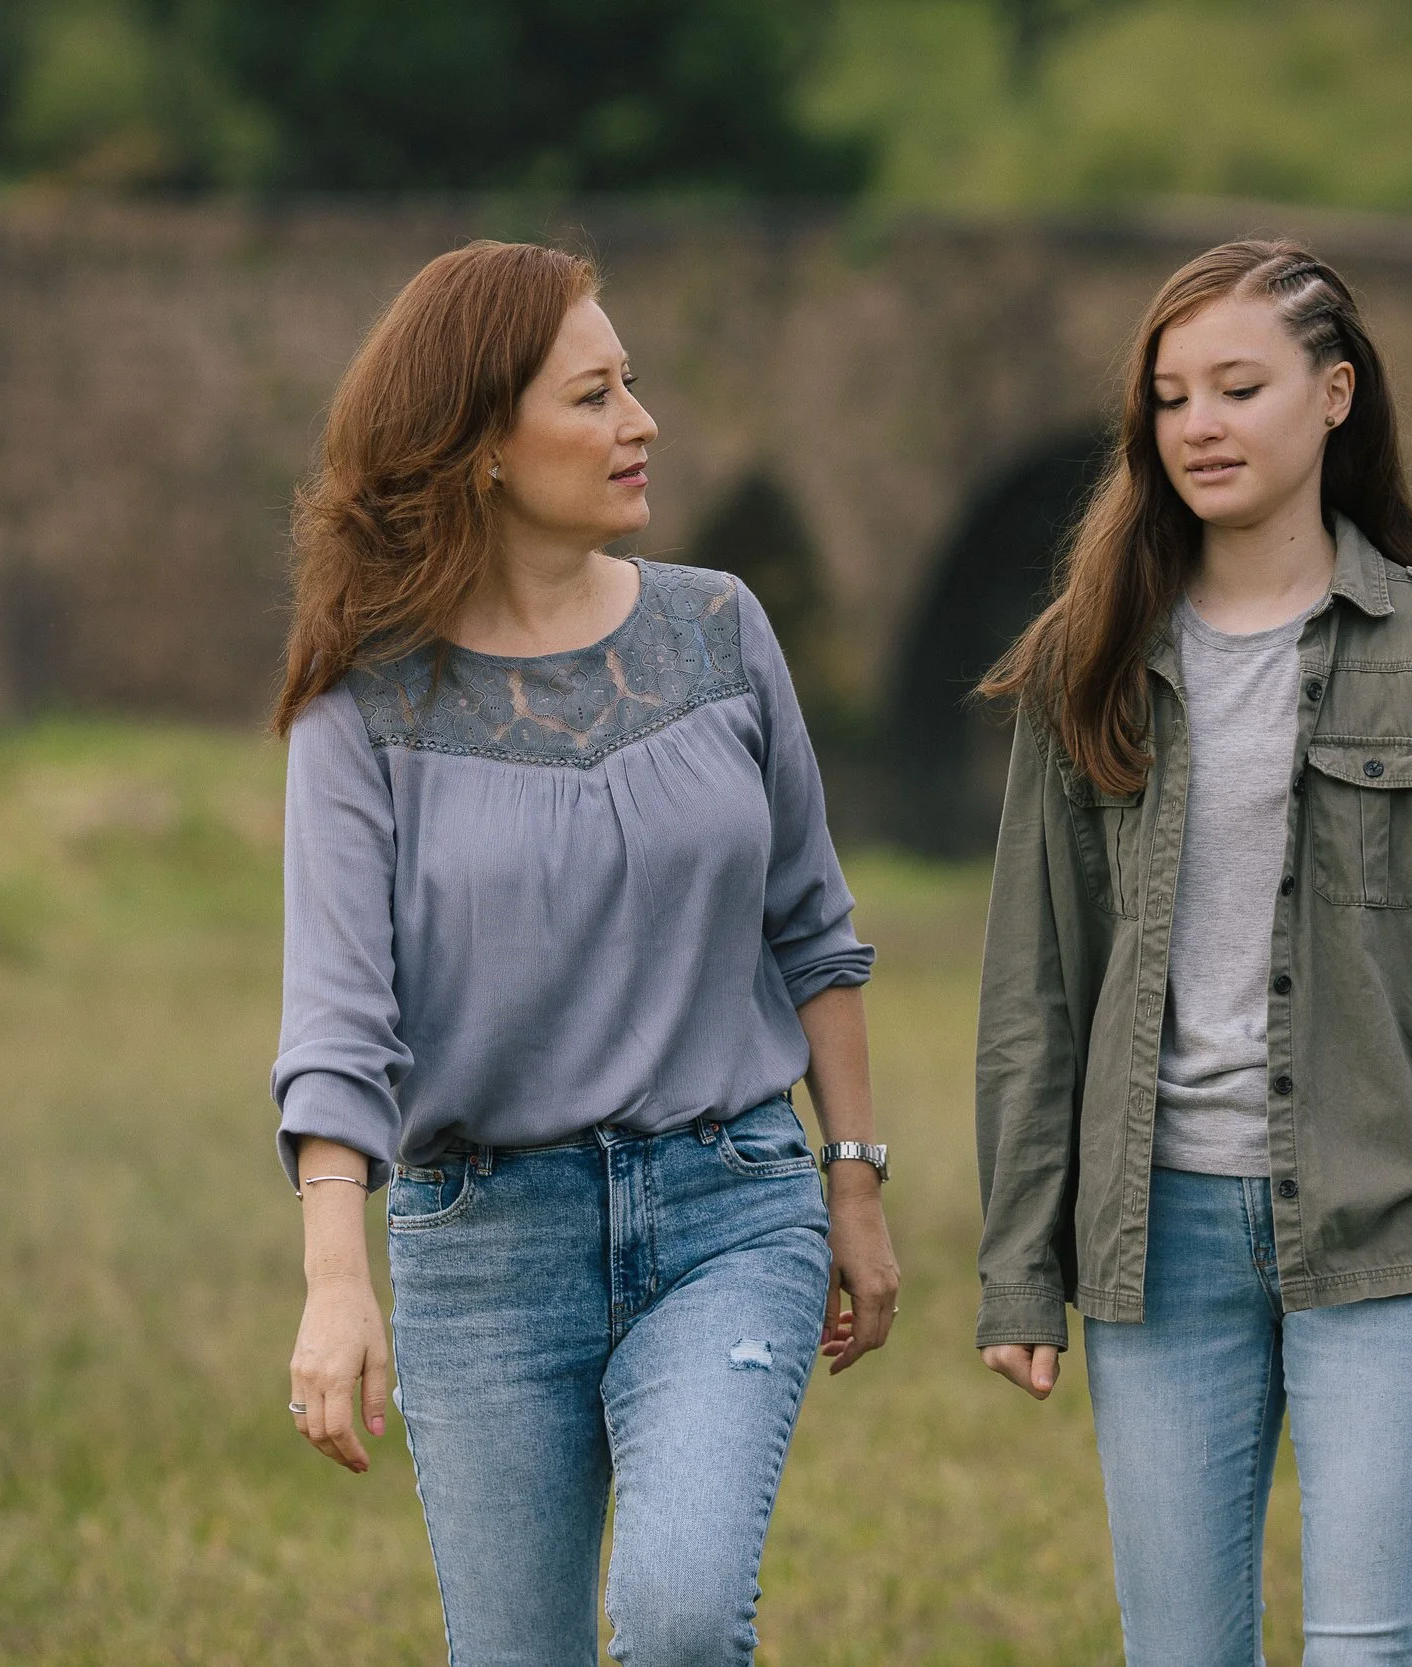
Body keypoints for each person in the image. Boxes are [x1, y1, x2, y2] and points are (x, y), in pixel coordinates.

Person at [269, 240, 899, 1667]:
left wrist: (852, 1177)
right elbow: (336, 1018)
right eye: (596, 396)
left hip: (729, 1204)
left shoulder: (720, 628)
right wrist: (334, 1275)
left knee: (679, 1618)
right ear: (483, 445)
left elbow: (814, 925)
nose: (642, 423)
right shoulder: (360, 703)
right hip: (483, 1244)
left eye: (635, 386)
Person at [971, 239, 1412, 1666]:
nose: (1200, 424)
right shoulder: (1090, 654)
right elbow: (1034, 987)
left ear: (1336, 396)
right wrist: (1018, 1263)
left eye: (1239, 386)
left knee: (1370, 1650)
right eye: (1172, 398)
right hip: (1162, 1231)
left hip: (1396, 1225)